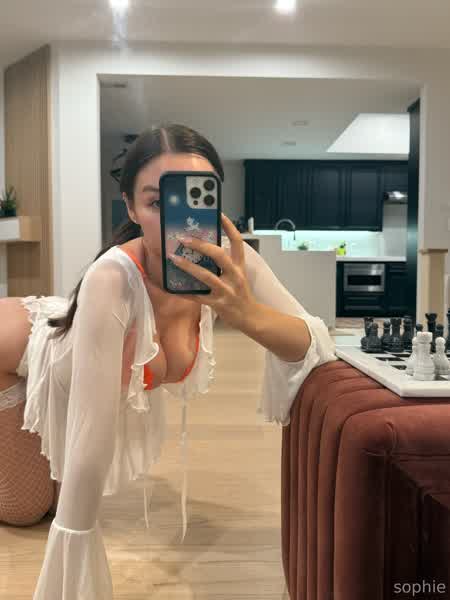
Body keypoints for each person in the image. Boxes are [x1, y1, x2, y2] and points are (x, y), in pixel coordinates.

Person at [0, 123, 337, 599]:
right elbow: (91, 433)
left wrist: (246, 314)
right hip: (21, 355)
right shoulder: (111, 279)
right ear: (131, 208)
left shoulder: (233, 261)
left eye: (193, 198)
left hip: (74, 354)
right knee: (27, 511)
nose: (177, 219)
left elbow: (315, 346)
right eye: (157, 203)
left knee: (56, 495)